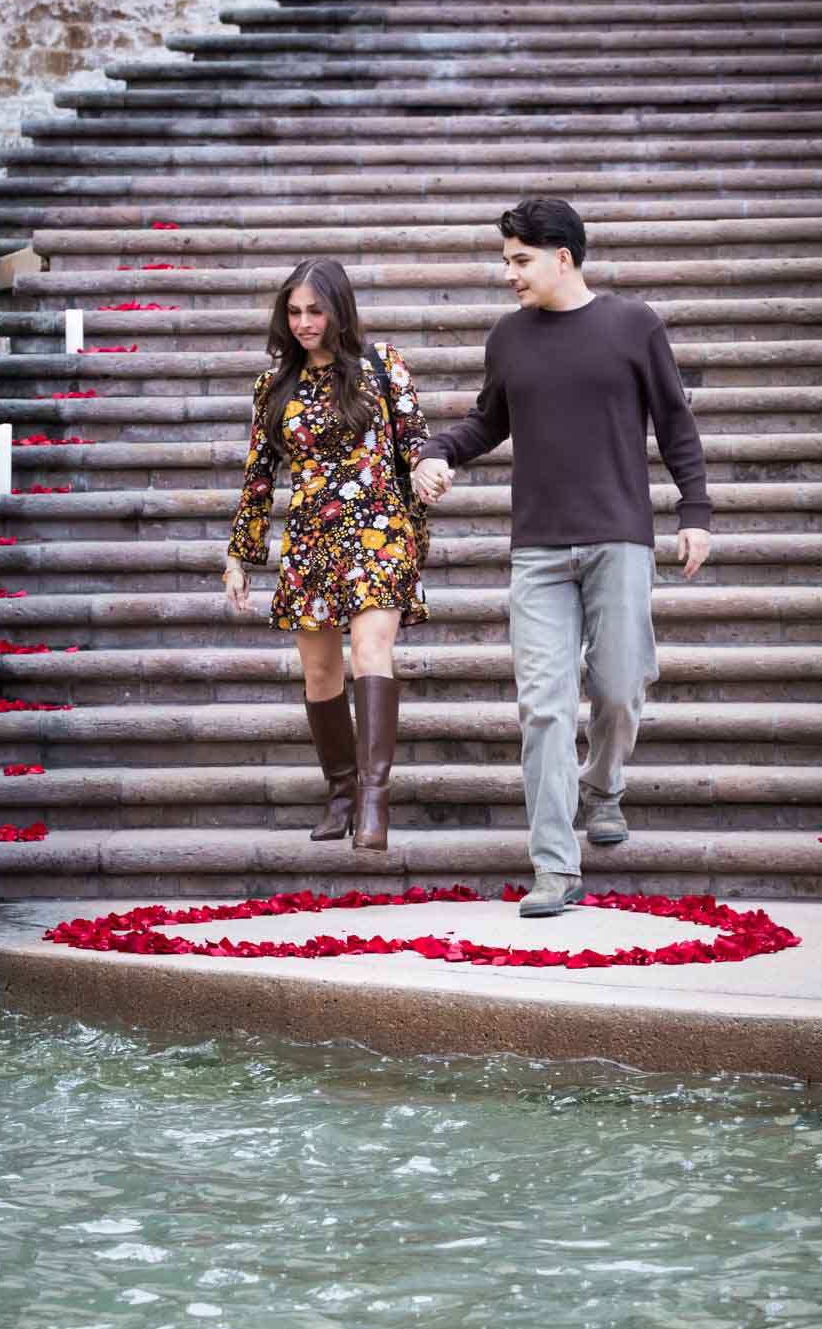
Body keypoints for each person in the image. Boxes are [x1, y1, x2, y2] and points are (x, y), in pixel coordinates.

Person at [412, 197, 712, 919]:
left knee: (619, 688)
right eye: (505, 260)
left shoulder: (633, 325)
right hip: (538, 552)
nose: (507, 274)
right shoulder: (509, 337)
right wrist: (436, 451)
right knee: (543, 709)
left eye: (519, 260)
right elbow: (487, 420)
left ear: (563, 257)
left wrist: (694, 512)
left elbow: (675, 422)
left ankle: (602, 787)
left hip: (619, 539)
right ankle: (554, 866)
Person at [223, 258, 431, 851]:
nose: (305, 322)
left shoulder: (382, 366)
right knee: (319, 671)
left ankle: (374, 802)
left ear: (340, 309)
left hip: (379, 531)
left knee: (371, 650)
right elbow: (259, 476)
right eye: (294, 312)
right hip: (311, 537)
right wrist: (239, 556)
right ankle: (341, 793)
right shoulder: (273, 387)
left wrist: (427, 469)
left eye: (316, 310)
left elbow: (415, 438)